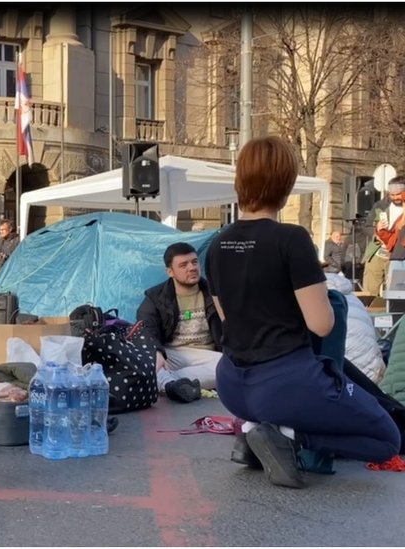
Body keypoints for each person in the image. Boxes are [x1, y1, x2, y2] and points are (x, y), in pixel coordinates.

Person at [205, 136, 399, 489]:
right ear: (286, 182)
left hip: (232, 385)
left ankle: (254, 432)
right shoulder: (291, 239)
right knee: (388, 440)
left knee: (281, 404)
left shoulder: (218, 243)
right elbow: (322, 325)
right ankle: (290, 437)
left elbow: (229, 320)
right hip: (285, 384)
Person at [136, 242, 221, 404]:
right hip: (171, 354)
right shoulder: (157, 297)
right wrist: (156, 351)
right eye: (183, 265)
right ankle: (171, 382)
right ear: (170, 272)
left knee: (228, 366)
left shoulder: (214, 293)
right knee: (148, 363)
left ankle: (168, 383)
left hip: (207, 355)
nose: (191, 268)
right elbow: (145, 326)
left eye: (194, 262)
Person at [363, 178, 405, 296]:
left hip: (398, 254)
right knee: (371, 289)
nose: (395, 197)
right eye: (392, 195)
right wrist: (376, 232)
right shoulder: (380, 205)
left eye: (398, 194)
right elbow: (366, 225)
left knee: (396, 291)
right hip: (378, 251)